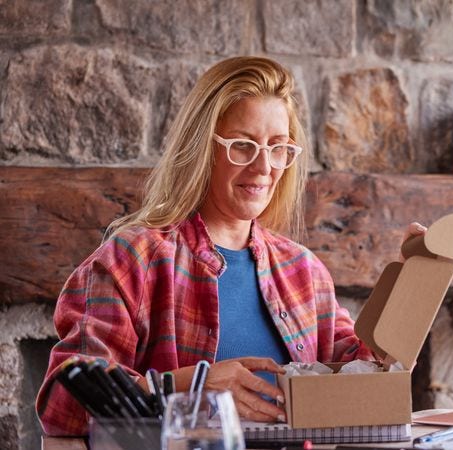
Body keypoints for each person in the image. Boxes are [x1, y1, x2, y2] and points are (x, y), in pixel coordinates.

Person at [36, 56, 426, 436]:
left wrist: (408, 294)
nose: (264, 167)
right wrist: (190, 387)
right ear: (202, 148)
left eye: (278, 148)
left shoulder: (303, 271)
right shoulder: (132, 259)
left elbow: (363, 379)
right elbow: (63, 402)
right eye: (243, 145)